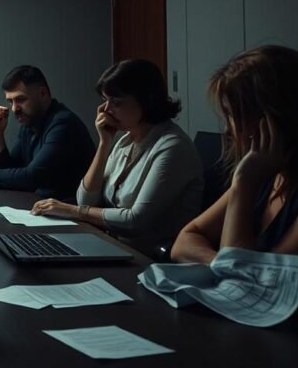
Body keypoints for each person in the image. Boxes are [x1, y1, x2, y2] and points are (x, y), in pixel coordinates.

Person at [171, 46, 298, 330]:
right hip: (252, 334)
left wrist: (243, 183)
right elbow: (185, 239)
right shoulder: (268, 175)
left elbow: (248, 294)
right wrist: (223, 264)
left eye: (234, 115)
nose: (228, 130)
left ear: (278, 117)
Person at [30, 59, 203, 257]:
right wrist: (104, 143)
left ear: (146, 101)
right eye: (105, 100)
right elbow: (85, 200)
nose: (105, 109)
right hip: (114, 246)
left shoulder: (173, 147)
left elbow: (135, 221)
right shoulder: (126, 140)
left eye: (116, 102)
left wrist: (73, 211)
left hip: (147, 257)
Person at [0, 65, 94, 198]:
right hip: (42, 206)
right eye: (11, 101)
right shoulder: (31, 122)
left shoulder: (63, 124)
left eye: (21, 99)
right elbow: (9, 172)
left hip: (71, 213)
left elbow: (32, 177)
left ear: (43, 94)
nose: (14, 109)